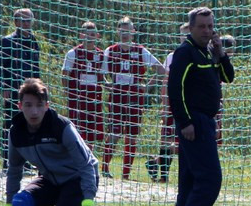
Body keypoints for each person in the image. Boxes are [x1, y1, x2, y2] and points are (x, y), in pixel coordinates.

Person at [2, 78, 118, 206]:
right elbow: (14, 170)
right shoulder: (16, 132)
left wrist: (88, 200)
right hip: (50, 179)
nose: (34, 111)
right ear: (20, 106)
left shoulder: (61, 126)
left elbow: (86, 165)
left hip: (78, 178)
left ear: (47, 106)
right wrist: (9, 205)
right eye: (28, 105)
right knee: (21, 203)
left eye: (39, 105)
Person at [166, 7, 235, 206]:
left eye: (210, 26)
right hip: (195, 123)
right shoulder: (185, 52)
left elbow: (229, 77)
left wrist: (220, 53)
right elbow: (175, 90)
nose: (207, 31)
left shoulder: (208, 52)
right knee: (210, 179)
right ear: (191, 28)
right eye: (202, 26)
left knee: (190, 181)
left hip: (205, 121)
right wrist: (185, 122)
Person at [101, 17, 166, 179]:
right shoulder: (110, 51)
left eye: (128, 31)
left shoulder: (141, 51)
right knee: (115, 134)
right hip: (117, 96)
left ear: (133, 32)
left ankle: (126, 174)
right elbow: (100, 74)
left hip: (135, 97)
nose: (125, 34)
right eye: (122, 31)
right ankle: (105, 168)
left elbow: (161, 70)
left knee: (131, 136)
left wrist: (147, 86)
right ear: (118, 32)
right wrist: (107, 84)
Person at [0, 8, 40, 169]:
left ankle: (26, 161)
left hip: (30, 92)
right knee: (12, 124)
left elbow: (36, 67)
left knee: (30, 125)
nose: (27, 24)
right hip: (13, 90)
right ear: (16, 22)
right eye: (24, 21)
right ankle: (8, 160)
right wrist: (4, 86)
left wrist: (39, 88)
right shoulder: (7, 41)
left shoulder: (33, 41)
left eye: (29, 20)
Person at [146, 22, 190, 183]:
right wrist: (165, 105)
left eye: (187, 34)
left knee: (185, 141)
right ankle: (163, 176)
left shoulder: (198, 54)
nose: (185, 37)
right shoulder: (173, 56)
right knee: (166, 139)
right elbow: (166, 82)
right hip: (173, 103)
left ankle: (154, 161)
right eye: (182, 35)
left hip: (190, 104)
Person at [62, 21, 105, 149]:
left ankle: (88, 155)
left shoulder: (101, 54)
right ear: (81, 35)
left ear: (97, 36)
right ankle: (75, 154)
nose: (89, 38)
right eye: (87, 34)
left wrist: (110, 86)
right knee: (77, 129)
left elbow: (101, 77)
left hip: (94, 98)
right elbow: (65, 75)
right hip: (78, 97)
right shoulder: (73, 53)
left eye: (92, 35)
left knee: (92, 131)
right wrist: (68, 92)